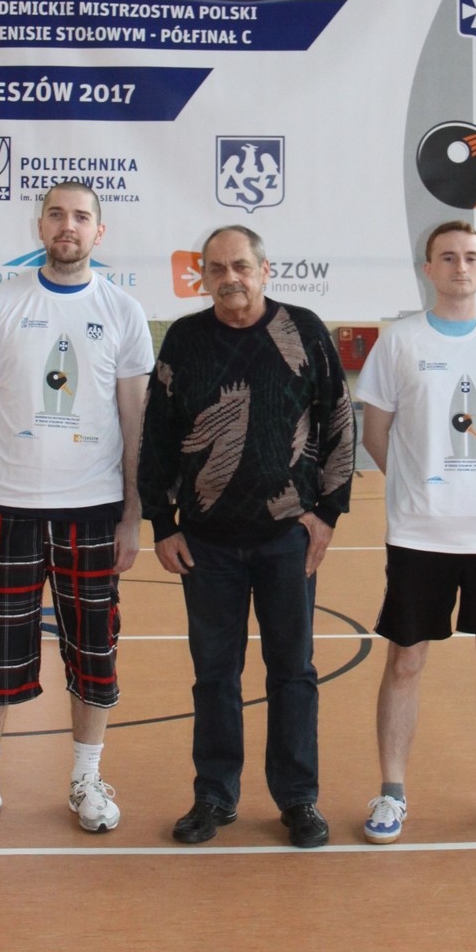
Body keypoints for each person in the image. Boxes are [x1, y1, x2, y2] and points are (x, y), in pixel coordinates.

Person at [0, 180, 152, 837]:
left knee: (93, 652)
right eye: (56, 214)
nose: (67, 226)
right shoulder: (0, 303)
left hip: (94, 511)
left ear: (99, 232)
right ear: (40, 225)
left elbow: (135, 418)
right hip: (6, 509)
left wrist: (132, 515)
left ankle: (86, 779)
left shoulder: (123, 311)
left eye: (81, 217)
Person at [138, 225, 355, 848]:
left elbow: (340, 420)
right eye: (216, 268)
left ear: (264, 270)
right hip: (206, 542)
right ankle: (215, 795)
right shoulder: (185, 339)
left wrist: (327, 513)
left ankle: (298, 798)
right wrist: (162, 523)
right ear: (203, 277)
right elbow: (157, 434)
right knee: (214, 674)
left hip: (287, 537)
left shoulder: (303, 330)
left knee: (293, 671)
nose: (229, 278)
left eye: (240, 266)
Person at [355, 220, 476, 844]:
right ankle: (391, 792)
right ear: (428, 268)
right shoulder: (399, 342)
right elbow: (376, 433)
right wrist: (420, 486)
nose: (460, 267)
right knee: (406, 659)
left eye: (470, 257)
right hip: (420, 534)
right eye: (447, 257)